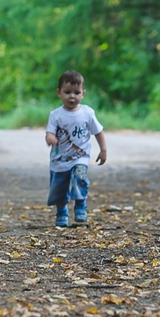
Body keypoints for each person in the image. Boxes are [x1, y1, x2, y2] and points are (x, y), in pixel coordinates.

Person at [44, 70, 107, 227]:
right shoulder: (55, 115)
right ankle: (62, 212)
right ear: (59, 93)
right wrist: (50, 138)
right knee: (59, 187)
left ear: (83, 93)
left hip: (81, 157)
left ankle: (80, 205)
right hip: (59, 160)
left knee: (80, 178)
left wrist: (103, 149)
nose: (72, 96)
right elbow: (49, 132)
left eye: (76, 93)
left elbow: (98, 131)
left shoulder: (87, 113)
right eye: (67, 92)